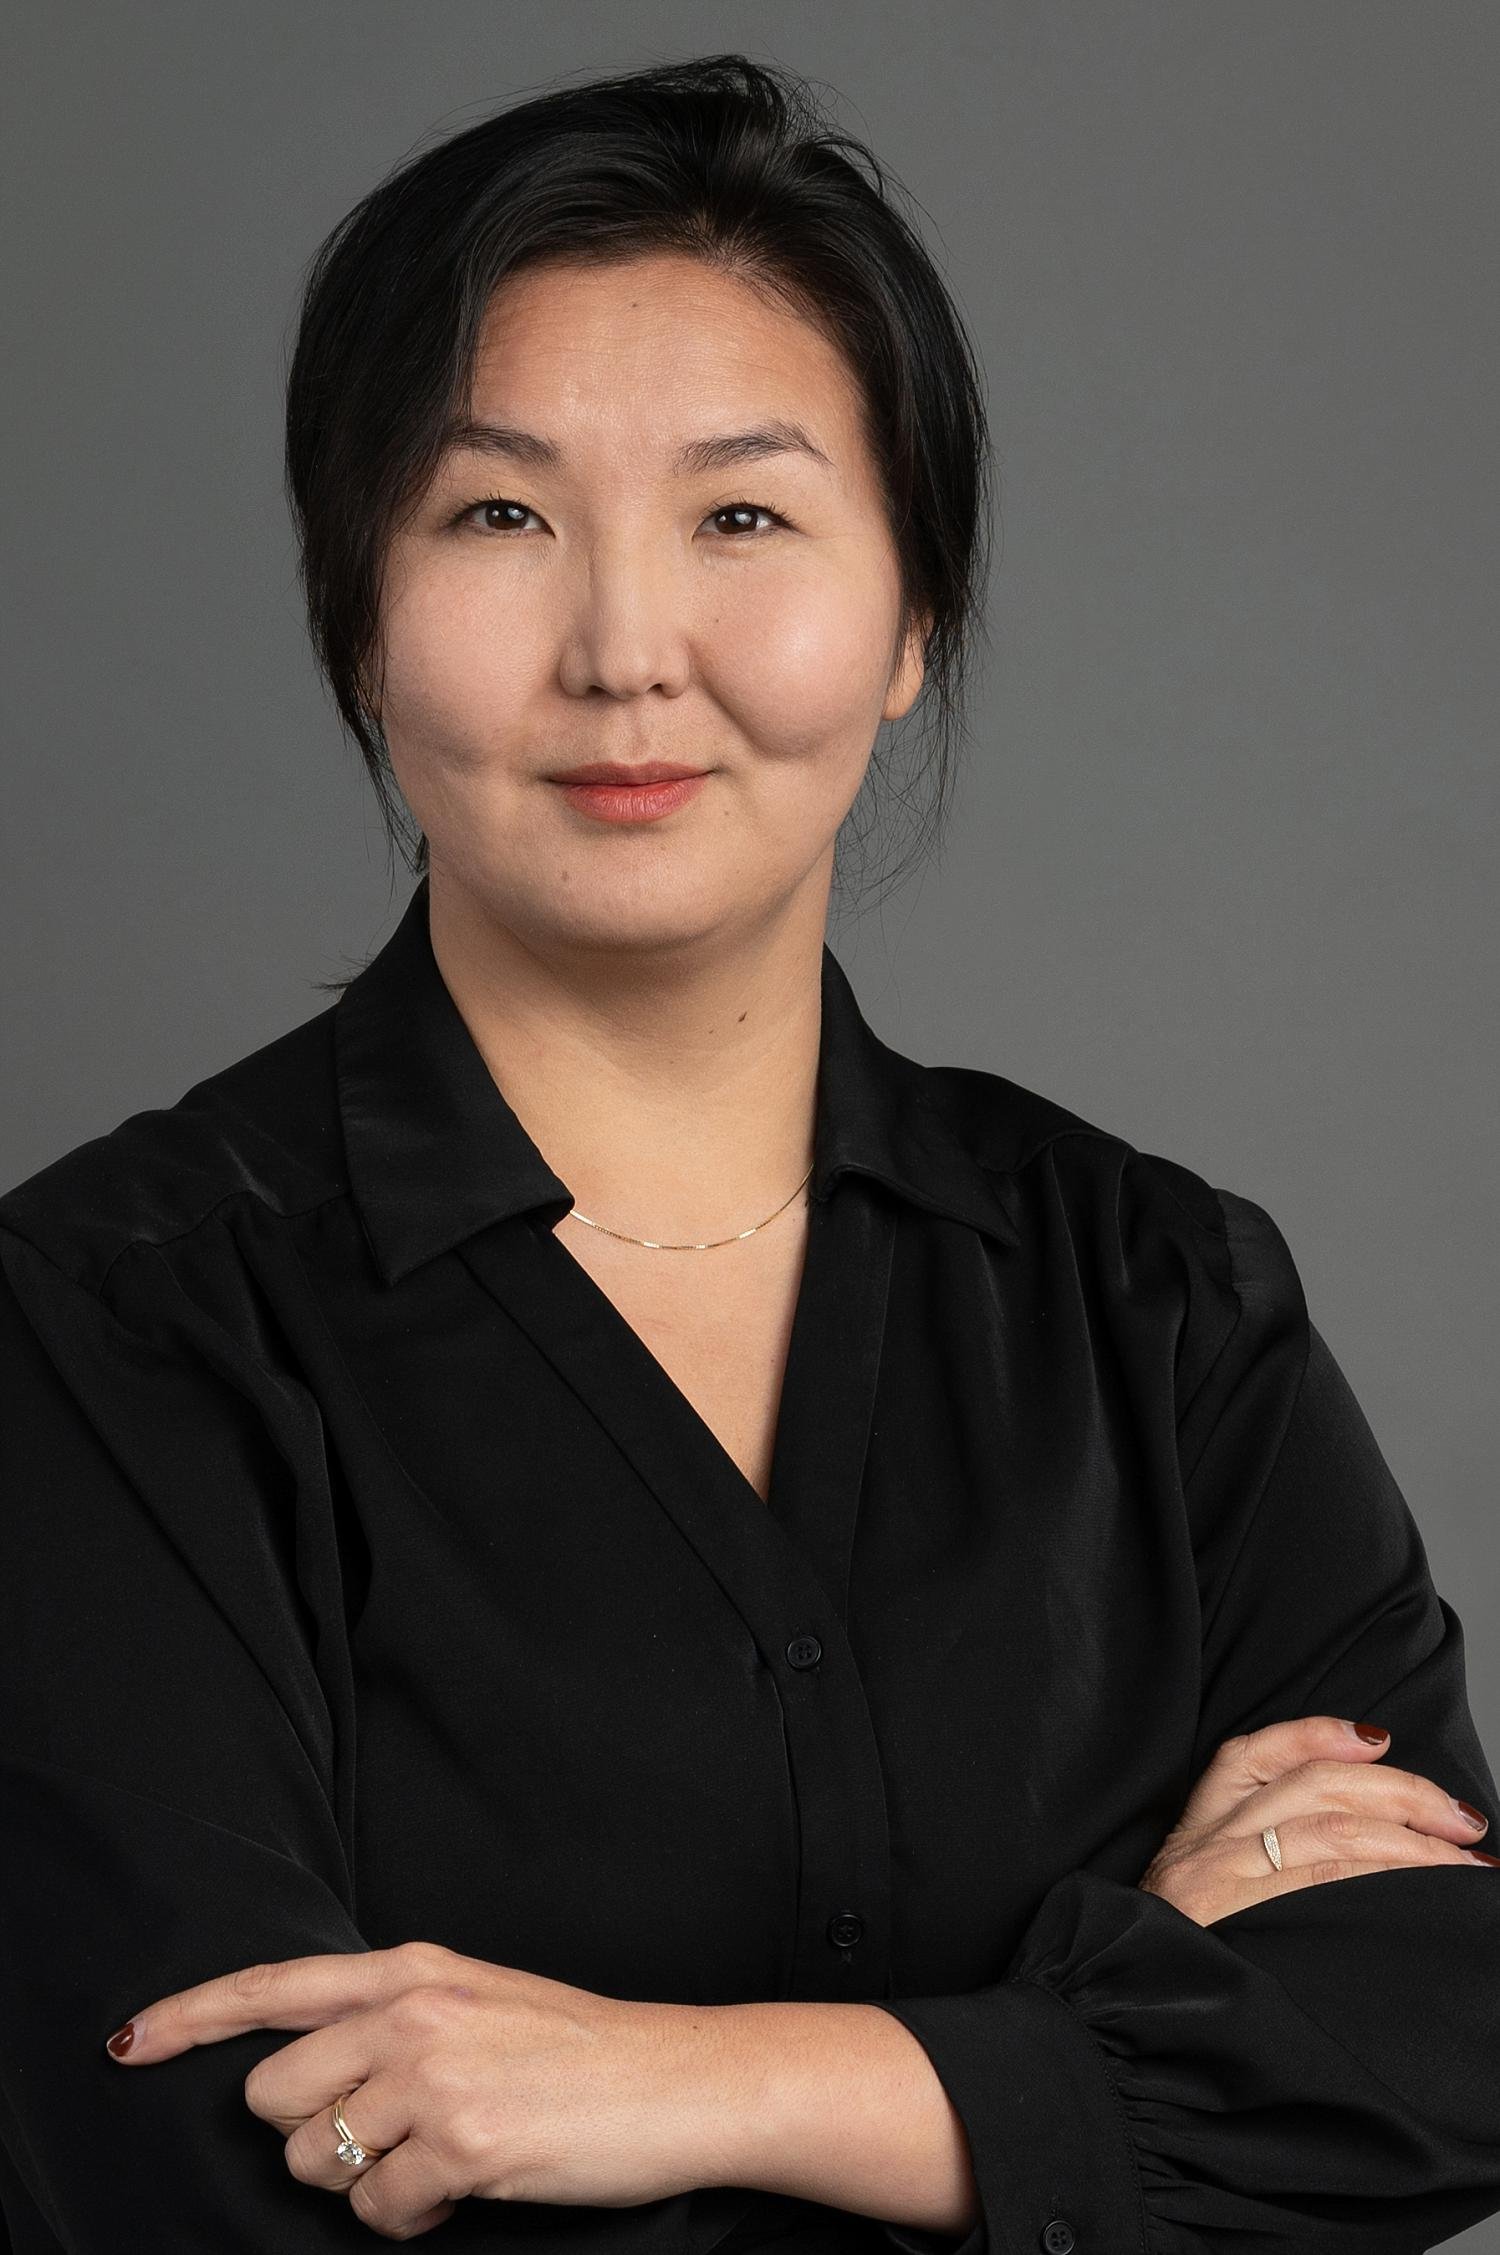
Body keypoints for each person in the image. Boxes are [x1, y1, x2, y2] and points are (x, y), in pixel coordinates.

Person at [2, 48, 1497, 2255]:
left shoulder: (1158, 1298)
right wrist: (1107, 2076)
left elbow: (1444, 2032)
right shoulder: (103, 1334)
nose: (626, 652)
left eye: (744, 515)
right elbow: (201, 2193)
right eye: (498, 515)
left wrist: (691, 2087)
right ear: (357, 620)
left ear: (911, 622)